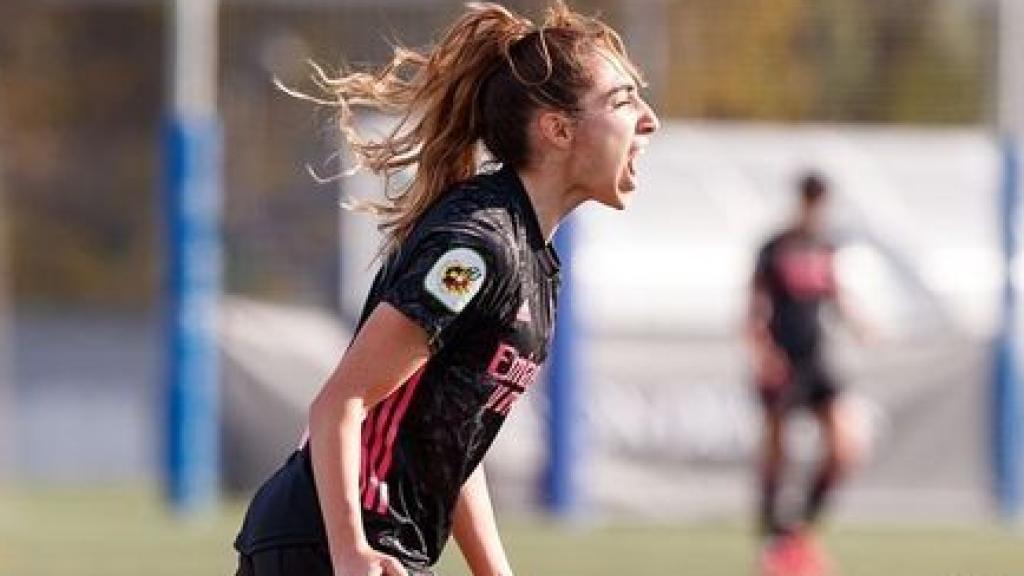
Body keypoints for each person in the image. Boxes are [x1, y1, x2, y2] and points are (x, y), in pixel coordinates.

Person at [233, 3, 659, 576]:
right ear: (557, 129)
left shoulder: (531, 257)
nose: (649, 119)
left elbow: (447, 439)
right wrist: (349, 552)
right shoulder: (476, 248)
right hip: (329, 543)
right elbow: (340, 402)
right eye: (623, 100)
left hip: (379, 548)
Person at [746, 173, 867, 576]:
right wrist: (763, 352)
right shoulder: (774, 248)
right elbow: (755, 307)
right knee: (778, 449)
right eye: (811, 200)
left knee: (843, 449)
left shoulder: (826, 245)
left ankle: (801, 531)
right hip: (784, 357)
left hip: (818, 357)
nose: (816, 208)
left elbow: (836, 293)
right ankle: (771, 539)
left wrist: (860, 322)